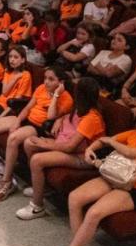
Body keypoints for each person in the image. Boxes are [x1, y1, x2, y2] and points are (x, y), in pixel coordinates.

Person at [58, 105, 136, 246]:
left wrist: (111, 141)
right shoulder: (134, 134)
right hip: (115, 175)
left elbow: (129, 152)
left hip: (135, 187)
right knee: (74, 198)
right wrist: (90, 148)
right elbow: (103, 141)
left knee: (94, 213)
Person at [0, 67, 74, 197]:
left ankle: (6, 181)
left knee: (13, 138)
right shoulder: (41, 88)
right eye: (45, 78)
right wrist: (17, 121)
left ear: (61, 82)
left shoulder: (66, 98)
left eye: (51, 79)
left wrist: (56, 94)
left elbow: (51, 116)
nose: (46, 82)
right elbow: (28, 107)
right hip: (27, 119)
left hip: (39, 127)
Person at [15, 78, 105, 218]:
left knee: (37, 160)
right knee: (29, 143)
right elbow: (67, 117)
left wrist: (47, 144)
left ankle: (37, 207)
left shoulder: (92, 117)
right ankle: (41, 187)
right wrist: (59, 119)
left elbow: (70, 147)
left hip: (83, 156)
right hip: (69, 146)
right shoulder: (79, 108)